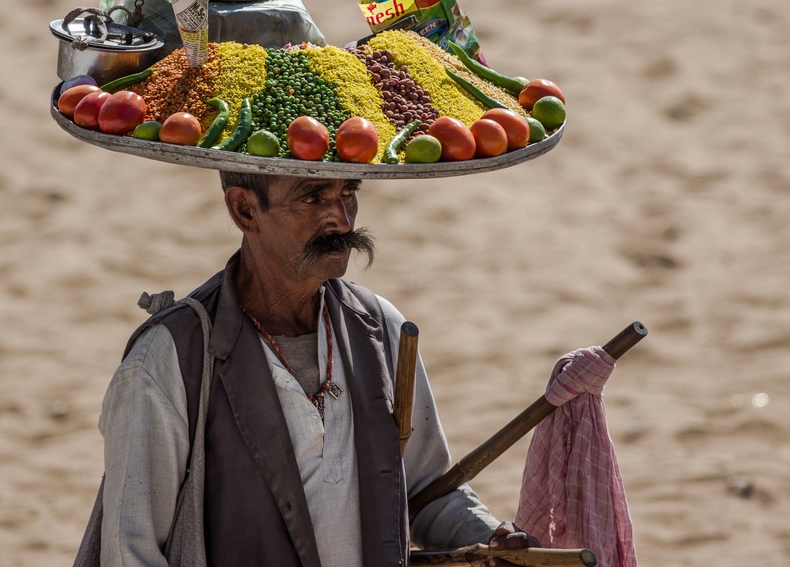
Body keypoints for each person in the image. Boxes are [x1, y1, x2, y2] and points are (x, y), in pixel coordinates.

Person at [95, 170, 538, 566]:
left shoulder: (381, 327)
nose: (342, 220)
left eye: (348, 192)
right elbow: (130, 550)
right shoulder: (170, 359)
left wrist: (485, 537)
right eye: (312, 198)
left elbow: (423, 493)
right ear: (245, 209)